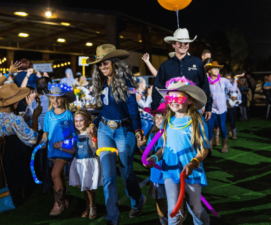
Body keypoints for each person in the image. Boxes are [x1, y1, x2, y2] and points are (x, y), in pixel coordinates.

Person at [86, 44, 146, 225]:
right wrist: (93, 123)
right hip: (104, 130)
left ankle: (138, 200)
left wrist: (138, 131)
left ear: (114, 62)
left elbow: (133, 108)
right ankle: (112, 216)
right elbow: (105, 110)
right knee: (108, 176)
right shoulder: (102, 82)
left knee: (126, 173)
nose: (103, 67)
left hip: (124, 130)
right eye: (100, 64)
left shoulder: (126, 80)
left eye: (106, 63)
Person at [145, 76, 210, 225]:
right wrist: (154, 158)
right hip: (170, 170)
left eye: (178, 97)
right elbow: (164, 148)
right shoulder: (167, 121)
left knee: (196, 210)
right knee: (173, 213)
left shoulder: (197, 121)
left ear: (190, 100)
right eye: (170, 97)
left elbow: (204, 149)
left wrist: (193, 163)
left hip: (191, 172)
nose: (173, 101)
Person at [151, 28, 212, 121]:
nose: (183, 45)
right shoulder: (165, 65)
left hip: (194, 108)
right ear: (173, 44)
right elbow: (157, 88)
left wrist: (208, 107)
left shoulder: (197, 62)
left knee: (195, 135)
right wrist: (156, 110)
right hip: (172, 109)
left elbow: (205, 85)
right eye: (180, 42)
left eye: (186, 43)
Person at [40, 84, 76, 216]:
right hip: (52, 150)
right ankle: (65, 200)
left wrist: (62, 144)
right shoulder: (48, 115)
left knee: (54, 174)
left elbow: (74, 135)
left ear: (64, 99)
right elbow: (45, 132)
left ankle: (58, 204)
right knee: (59, 175)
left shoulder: (69, 115)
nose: (55, 101)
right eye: (52, 98)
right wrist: (43, 141)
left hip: (64, 150)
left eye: (58, 98)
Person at [68, 109, 102, 219]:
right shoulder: (74, 134)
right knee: (84, 187)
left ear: (88, 121)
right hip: (78, 163)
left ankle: (92, 206)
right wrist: (61, 148)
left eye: (81, 120)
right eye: (76, 121)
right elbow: (73, 150)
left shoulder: (91, 133)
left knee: (89, 188)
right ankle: (87, 206)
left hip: (89, 163)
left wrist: (93, 138)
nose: (78, 123)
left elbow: (95, 149)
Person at [205, 61, 243, 153]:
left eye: (218, 68)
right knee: (210, 127)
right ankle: (209, 148)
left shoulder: (224, 81)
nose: (217, 70)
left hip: (222, 109)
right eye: (214, 68)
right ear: (209, 71)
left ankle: (225, 144)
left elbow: (233, 89)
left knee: (222, 126)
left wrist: (235, 79)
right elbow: (204, 95)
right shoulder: (206, 82)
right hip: (211, 109)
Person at [138, 110, 168, 225]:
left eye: (162, 117)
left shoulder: (171, 133)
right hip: (157, 172)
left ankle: (176, 217)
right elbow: (148, 153)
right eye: (157, 118)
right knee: (159, 198)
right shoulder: (154, 134)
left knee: (173, 197)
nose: (159, 120)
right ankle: (163, 220)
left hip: (170, 170)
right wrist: (141, 148)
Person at [225, 74, 242, 139]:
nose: (228, 80)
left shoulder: (235, 87)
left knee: (234, 120)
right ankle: (233, 133)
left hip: (234, 107)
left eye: (229, 78)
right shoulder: (223, 87)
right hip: (227, 107)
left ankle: (232, 129)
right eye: (227, 78)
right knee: (231, 120)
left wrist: (237, 101)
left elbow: (239, 96)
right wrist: (228, 99)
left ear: (231, 79)